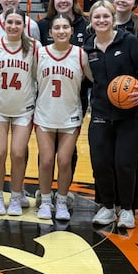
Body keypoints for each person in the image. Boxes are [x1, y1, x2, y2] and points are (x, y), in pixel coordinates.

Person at [84, 0, 138, 229]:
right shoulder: (88, 48)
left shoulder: (129, 41)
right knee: (101, 162)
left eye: (106, 16)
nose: (101, 21)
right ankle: (107, 206)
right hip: (101, 112)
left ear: (113, 19)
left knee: (125, 163)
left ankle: (127, 209)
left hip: (129, 113)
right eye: (97, 17)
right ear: (91, 21)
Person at [0, 8, 39, 216]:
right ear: (3, 24)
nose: (14, 26)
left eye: (18, 23)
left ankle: (16, 196)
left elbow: (38, 75)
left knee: (17, 153)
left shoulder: (34, 47)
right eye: (10, 22)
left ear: (25, 25)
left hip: (24, 108)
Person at [34, 13, 90, 222]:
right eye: (56, 28)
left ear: (72, 31)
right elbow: (32, 79)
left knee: (65, 161)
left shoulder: (80, 54)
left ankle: (62, 200)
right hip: (45, 114)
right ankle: (46, 201)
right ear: (50, 33)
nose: (61, 31)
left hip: (70, 114)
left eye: (65, 27)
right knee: (47, 161)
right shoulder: (40, 54)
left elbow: (92, 79)